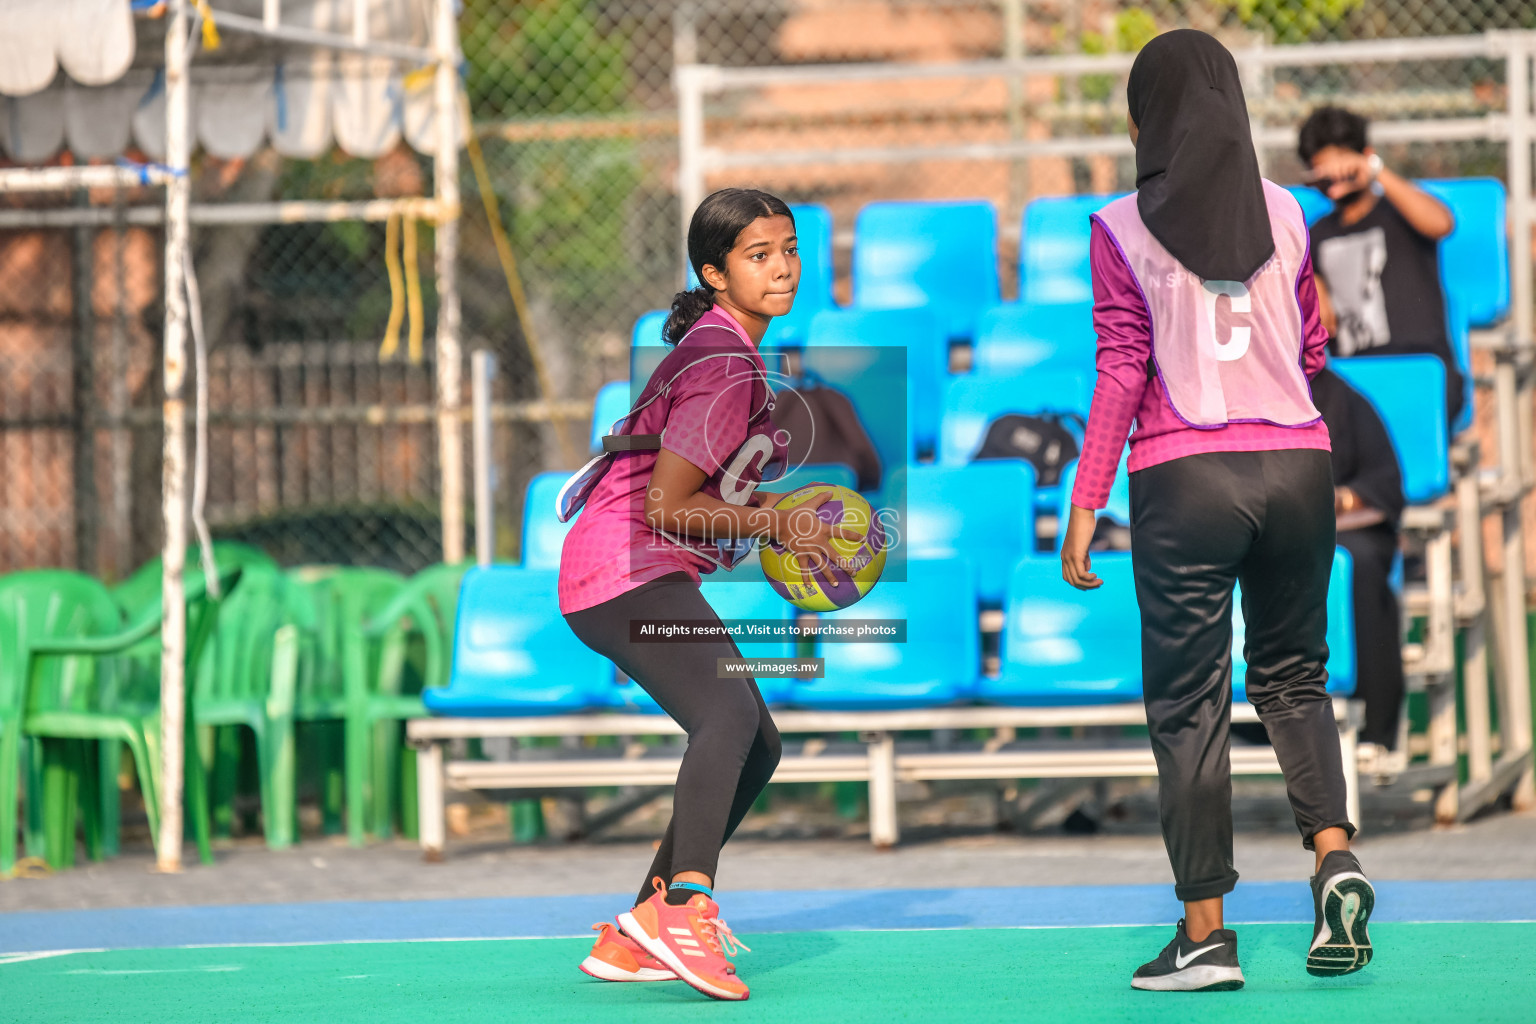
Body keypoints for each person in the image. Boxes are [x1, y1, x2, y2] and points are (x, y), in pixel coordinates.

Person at [1060, 30, 1375, 992]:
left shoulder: (1117, 225)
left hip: (1187, 477)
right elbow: (1313, 348)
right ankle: (1333, 858)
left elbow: (1121, 365)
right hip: (1299, 464)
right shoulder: (1289, 212)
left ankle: (1205, 935)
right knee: (1295, 678)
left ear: (1143, 117)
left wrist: (1086, 501)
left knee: (1191, 707)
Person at [558, 188, 857, 1002]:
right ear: (714, 272)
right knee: (727, 718)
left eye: (789, 249)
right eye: (760, 256)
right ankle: (687, 906)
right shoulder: (728, 362)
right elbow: (666, 504)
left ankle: (636, 934)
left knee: (757, 742)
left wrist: (770, 514)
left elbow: (696, 492)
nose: (784, 267)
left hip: (624, 568)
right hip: (623, 567)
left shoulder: (728, 350)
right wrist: (771, 521)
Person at [1298, 105, 1463, 426]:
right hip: (1355, 379)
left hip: (1421, 372)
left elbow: (1442, 223)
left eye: (1341, 165)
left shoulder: (1400, 213)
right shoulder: (1316, 235)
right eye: (1322, 170)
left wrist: (1374, 170)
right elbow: (1322, 320)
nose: (1333, 179)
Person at [1311, 365, 1407, 766]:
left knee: (1357, 561)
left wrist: (1337, 499)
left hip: (1338, 532)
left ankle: (1372, 722)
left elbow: (1385, 486)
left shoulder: (1341, 398)